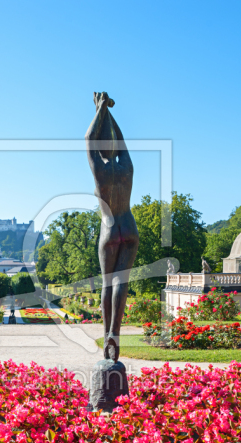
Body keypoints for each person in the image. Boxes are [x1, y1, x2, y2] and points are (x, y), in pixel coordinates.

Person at [85, 92, 139, 361]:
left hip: (109, 228)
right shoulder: (127, 167)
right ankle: (114, 335)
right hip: (129, 227)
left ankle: (107, 334)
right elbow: (123, 142)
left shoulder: (100, 169)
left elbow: (88, 139)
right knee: (122, 281)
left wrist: (99, 110)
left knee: (108, 284)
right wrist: (108, 112)